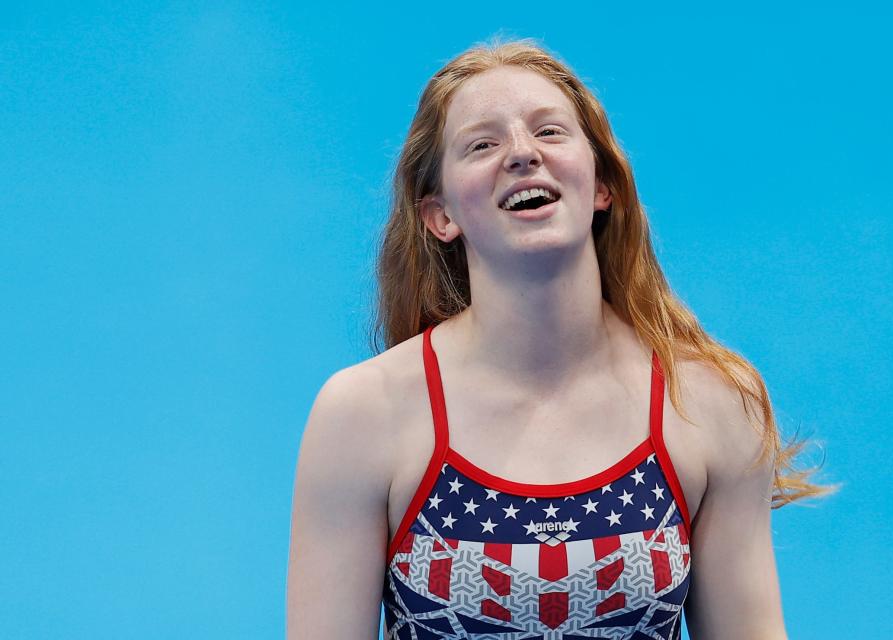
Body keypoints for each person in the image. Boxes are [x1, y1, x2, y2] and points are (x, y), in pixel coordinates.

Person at [286, 37, 837, 639]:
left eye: (550, 132)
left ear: (602, 185)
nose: (522, 154)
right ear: (440, 216)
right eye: (482, 144)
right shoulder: (362, 415)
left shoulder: (710, 403)